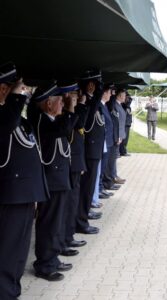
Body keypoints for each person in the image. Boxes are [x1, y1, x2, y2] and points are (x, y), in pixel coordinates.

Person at [0, 63, 48, 298]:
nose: (24, 93)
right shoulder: (5, 117)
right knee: (7, 252)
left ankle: (11, 290)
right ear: (3, 90)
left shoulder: (17, 118)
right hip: (10, 195)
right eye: (16, 88)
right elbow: (5, 126)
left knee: (17, 252)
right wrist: (16, 99)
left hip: (23, 195)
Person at [27, 81, 79, 281]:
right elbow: (65, 128)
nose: (63, 104)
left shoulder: (52, 120)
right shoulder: (42, 121)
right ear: (49, 104)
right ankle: (45, 264)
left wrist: (69, 107)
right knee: (49, 223)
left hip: (59, 178)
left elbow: (66, 127)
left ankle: (53, 258)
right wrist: (72, 107)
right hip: (51, 180)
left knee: (57, 222)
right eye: (60, 101)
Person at [59, 81, 88, 256]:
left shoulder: (72, 114)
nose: (76, 99)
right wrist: (75, 107)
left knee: (72, 203)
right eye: (74, 96)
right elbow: (76, 128)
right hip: (68, 165)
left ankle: (68, 237)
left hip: (75, 163)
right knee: (67, 205)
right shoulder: (64, 116)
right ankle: (63, 239)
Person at [76, 71, 104, 235]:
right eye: (96, 84)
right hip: (88, 150)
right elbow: (86, 124)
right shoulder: (85, 100)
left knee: (88, 187)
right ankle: (81, 220)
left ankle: (83, 216)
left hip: (93, 150)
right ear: (90, 84)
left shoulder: (91, 100)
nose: (97, 87)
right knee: (86, 188)